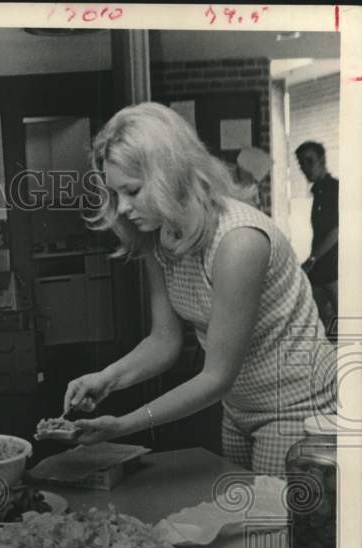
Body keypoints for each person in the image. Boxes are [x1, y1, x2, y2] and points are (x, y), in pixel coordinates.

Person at [63, 103, 336, 475]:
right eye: (116, 194)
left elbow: (215, 377)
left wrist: (123, 426)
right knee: (246, 511)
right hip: (239, 406)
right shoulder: (158, 235)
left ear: (171, 174)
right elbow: (164, 340)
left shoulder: (239, 241)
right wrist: (105, 379)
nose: (122, 208)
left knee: (271, 513)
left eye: (132, 191)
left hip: (298, 406)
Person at [295, 140, 338, 336]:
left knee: (345, 323)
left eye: (309, 161)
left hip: (335, 269)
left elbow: (336, 231)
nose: (305, 167)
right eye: (301, 163)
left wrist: (312, 259)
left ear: (322, 160)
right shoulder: (319, 191)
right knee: (316, 323)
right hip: (321, 269)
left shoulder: (333, 189)